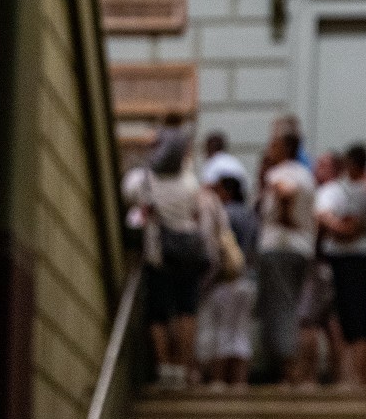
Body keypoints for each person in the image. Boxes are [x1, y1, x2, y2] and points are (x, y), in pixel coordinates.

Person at [125, 124, 216, 389]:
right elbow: (197, 212)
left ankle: (164, 368)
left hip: (159, 253)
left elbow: (131, 199)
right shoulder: (189, 181)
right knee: (187, 309)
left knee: (159, 313)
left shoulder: (145, 180)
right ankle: (182, 367)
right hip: (188, 252)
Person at [316, 143, 366, 387]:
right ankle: (349, 374)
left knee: (358, 315)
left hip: (358, 258)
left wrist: (337, 226)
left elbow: (354, 227)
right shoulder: (343, 190)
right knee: (346, 315)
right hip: (343, 257)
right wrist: (339, 226)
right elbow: (332, 221)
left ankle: (360, 375)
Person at [256, 130, 316, 384]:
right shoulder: (306, 174)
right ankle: (296, 369)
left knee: (281, 307)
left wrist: (284, 216)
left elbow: (285, 192)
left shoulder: (280, 174)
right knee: (292, 305)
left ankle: (289, 370)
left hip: (279, 247)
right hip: (301, 247)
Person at [198, 172, 258, 390]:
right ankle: (241, 381)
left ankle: (220, 379)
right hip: (249, 279)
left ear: (227, 191)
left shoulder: (223, 213)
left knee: (222, 330)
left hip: (226, 278)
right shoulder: (251, 215)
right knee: (241, 331)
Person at [296, 151, 347, 387]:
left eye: (322, 165)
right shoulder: (343, 193)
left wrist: (312, 245)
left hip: (318, 264)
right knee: (332, 323)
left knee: (308, 321)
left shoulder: (327, 192)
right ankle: (340, 377)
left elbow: (320, 219)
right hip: (334, 265)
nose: (316, 168)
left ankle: (308, 376)